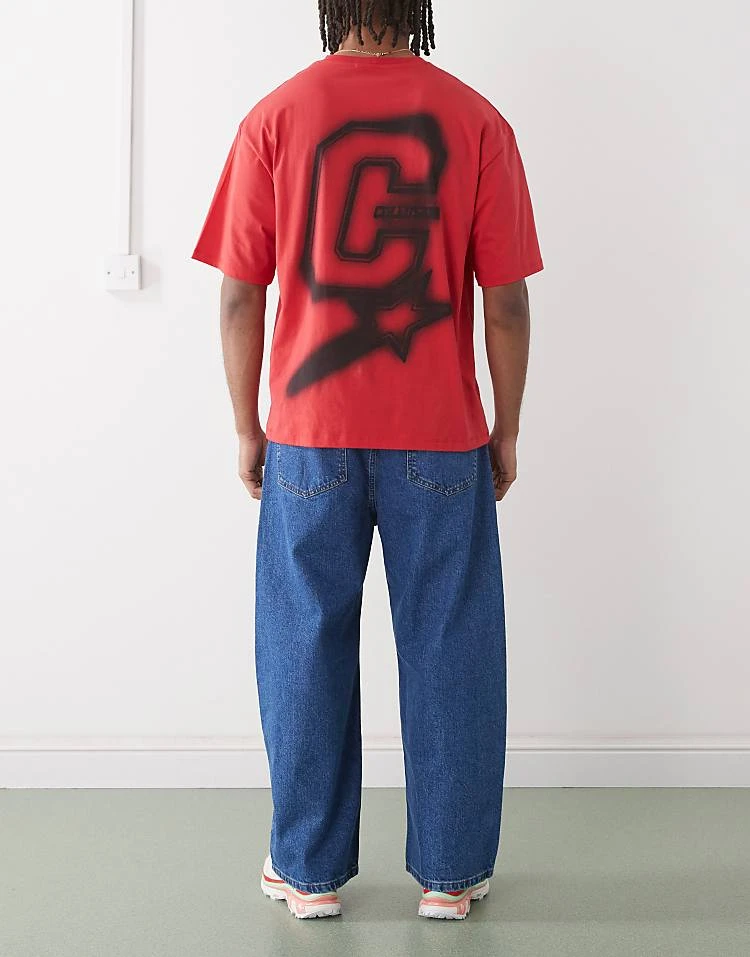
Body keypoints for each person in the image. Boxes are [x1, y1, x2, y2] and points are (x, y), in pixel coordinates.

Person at [191, 0, 543, 921]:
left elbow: (239, 294)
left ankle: (307, 870)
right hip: (441, 434)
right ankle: (451, 875)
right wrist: (507, 427)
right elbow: (505, 301)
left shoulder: (275, 117)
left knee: (303, 640)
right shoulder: (477, 120)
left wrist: (247, 425)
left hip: (310, 431)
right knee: (452, 641)